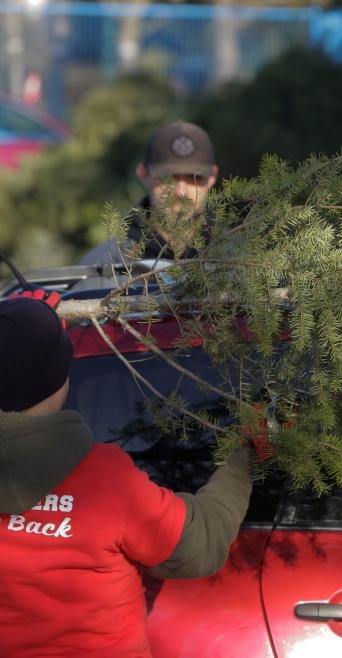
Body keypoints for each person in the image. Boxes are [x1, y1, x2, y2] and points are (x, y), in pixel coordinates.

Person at [0, 296, 252, 657]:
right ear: (61, 376)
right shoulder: (103, 479)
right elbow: (200, 545)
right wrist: (245, 454)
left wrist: (23, 330)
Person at [80, 120, 219, 265]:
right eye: (167, 178)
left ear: (212, 177)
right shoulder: (102, 265)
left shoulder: (238, 261)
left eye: (195, 178)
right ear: (143, 174)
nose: (181, 192)